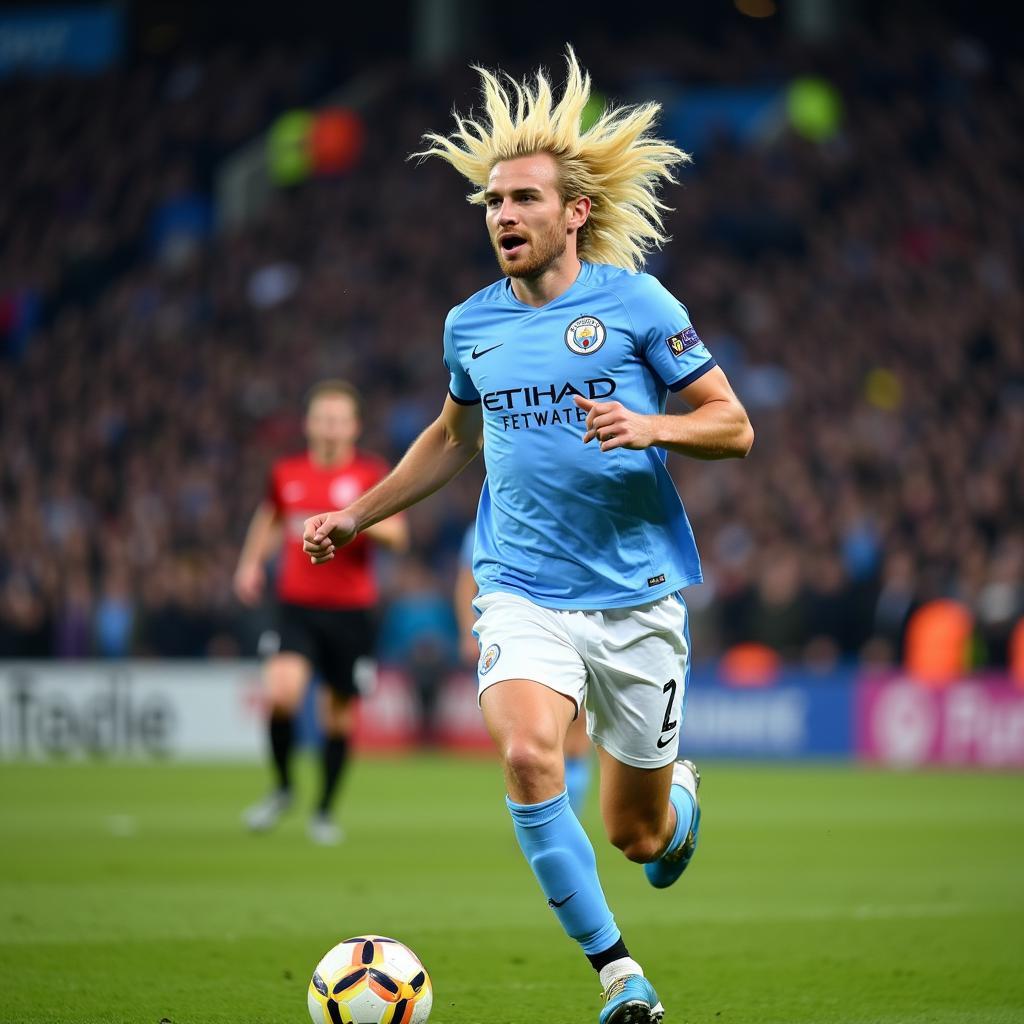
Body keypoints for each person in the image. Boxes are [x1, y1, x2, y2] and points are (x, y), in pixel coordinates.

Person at [302, 50, 753, 1022]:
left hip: (635, 599)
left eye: (522, 200)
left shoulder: (638, 305)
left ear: (573, 212)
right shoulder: (471, 326)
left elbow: (734, 425)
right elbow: (450, 439)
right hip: (520, 588)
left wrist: (653, 426)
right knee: (526, 760)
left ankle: (676, 805)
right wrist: (356, 512)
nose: (501, 216)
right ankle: (619, 976)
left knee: (639, 839)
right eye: (492, 202)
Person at [234, 380, 408, 845]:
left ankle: (324, 811)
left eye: (339, 419)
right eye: (322, 417)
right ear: (309, 423)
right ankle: (284, 788)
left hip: (351, 612)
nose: (329, 427)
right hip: (297, 606)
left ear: (354, 426)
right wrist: (251, 564)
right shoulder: (287, 472)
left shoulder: (371, 474)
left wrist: (356, 524)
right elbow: (270, 517)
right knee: (283, 694)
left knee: (337, 715)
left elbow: (399, 535)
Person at [455, 521, 593, 814]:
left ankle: (566, 818)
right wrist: (468, 629)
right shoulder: (487, 521)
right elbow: (467, 580)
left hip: (579, 618)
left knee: (577, 731)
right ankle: (553, 815)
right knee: (531, 737)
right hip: (523, 630)